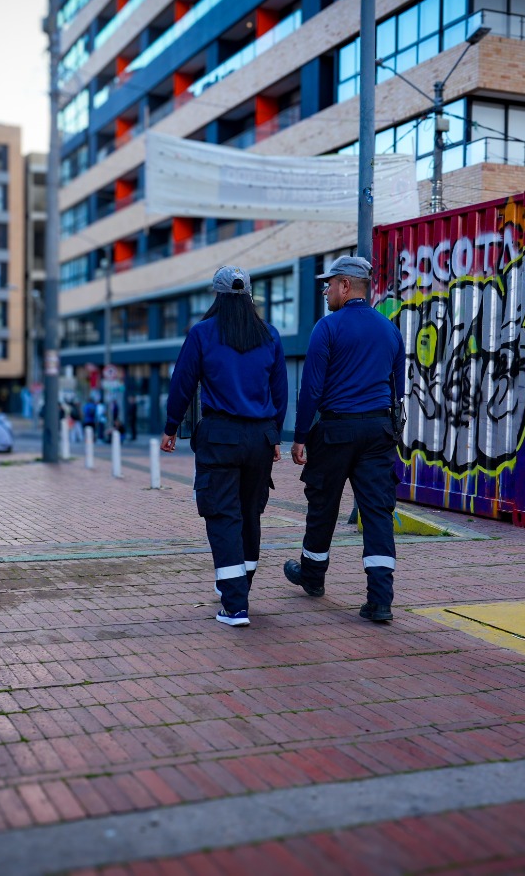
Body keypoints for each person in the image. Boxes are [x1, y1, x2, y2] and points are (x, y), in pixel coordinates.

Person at [161, 265, 288, 628]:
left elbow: (182, 382)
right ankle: (238, 587)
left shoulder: (202, 333)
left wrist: (171, 427)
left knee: (222, 515)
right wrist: (275, 435)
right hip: (260, 438)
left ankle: (234, 606)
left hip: (220, 437)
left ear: (217, 295)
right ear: (248, 296)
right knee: (250, 513)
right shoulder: (269, 335)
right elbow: (279, 392)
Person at [283, 256, 406, 622]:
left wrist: (300, 436)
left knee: (323, 506)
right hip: (377, 431)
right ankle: (380, 599)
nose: (325, 289)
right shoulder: (390, 330)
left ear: (347, 286)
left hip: (336, 431)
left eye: (329, 283)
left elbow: (311, 390)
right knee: (377, 512)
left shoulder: (328, 328)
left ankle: (313, 576)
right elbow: (396, 389)